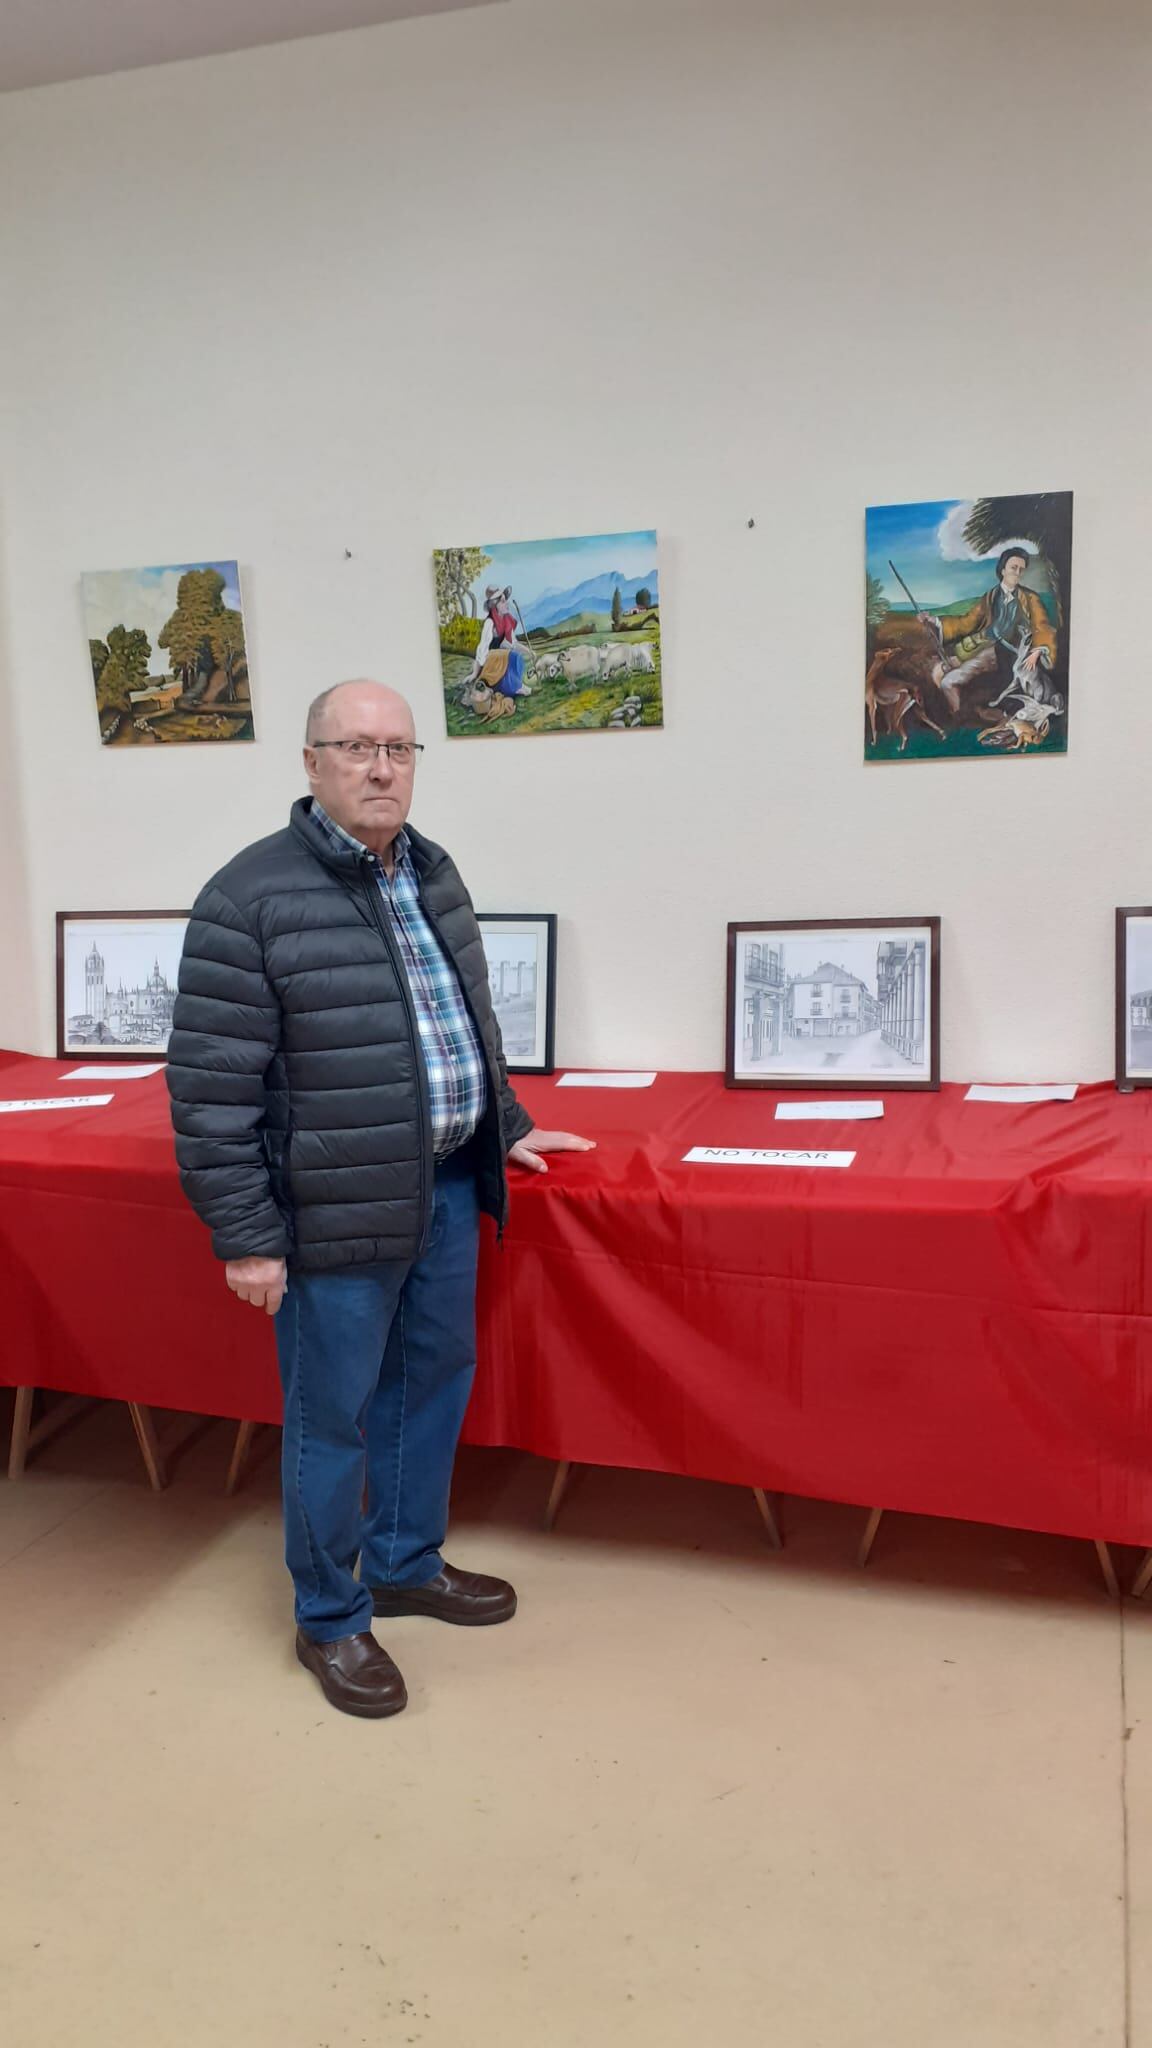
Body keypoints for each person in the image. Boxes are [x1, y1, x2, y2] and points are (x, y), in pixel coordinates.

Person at [167, 681, 593, 1719]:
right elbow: (211, 1089)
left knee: (431, 1382)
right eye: (357, 746)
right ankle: (330, 1617)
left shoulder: (431, 869)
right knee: (333, 1419)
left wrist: (507, 1120)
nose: (380, 767)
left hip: (443, 1186)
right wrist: (247, 1236)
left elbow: (459, 1023)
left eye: (399, 747)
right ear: (311, 761)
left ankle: (404, 1560)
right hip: (331, 1210)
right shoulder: (247, 897)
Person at [918, 547, 1061, 714]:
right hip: (986, 650)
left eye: (1021, 569)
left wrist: (1037, 651)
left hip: (1015, 653)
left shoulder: (1030, 598)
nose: (1018, 573)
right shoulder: (990, 597)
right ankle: (957, 716)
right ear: (1002, 570)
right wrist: (934, 620)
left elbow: (1041, 625)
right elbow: (966, 622)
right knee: (947, 681)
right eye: (1014, 568)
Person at [459, 584, 533, 702]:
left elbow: (513, 643)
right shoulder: (490, 623)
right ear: (495, 605)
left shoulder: (507, 620)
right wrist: (475, 673)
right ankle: (513, 688)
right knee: (510, 655)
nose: (506, 603)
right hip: (491, 663)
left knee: (517, 657)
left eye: (505, 600)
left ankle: (518, 685)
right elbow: (482, 649)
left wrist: (529, 651)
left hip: (501, 660)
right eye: (502, 601)